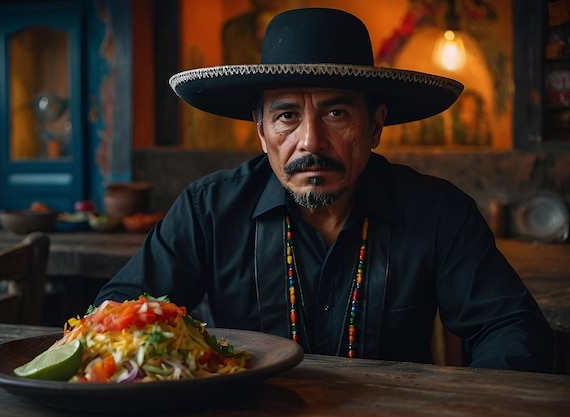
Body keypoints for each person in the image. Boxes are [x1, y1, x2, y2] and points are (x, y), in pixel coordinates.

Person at [95, 8, 553, 372]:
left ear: (375, 126)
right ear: (260, 130)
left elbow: (511, 330)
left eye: (336, 114)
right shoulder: (208, 209)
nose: (310, 141)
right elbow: (115, 314)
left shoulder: (439, 212)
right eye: (287, 116)